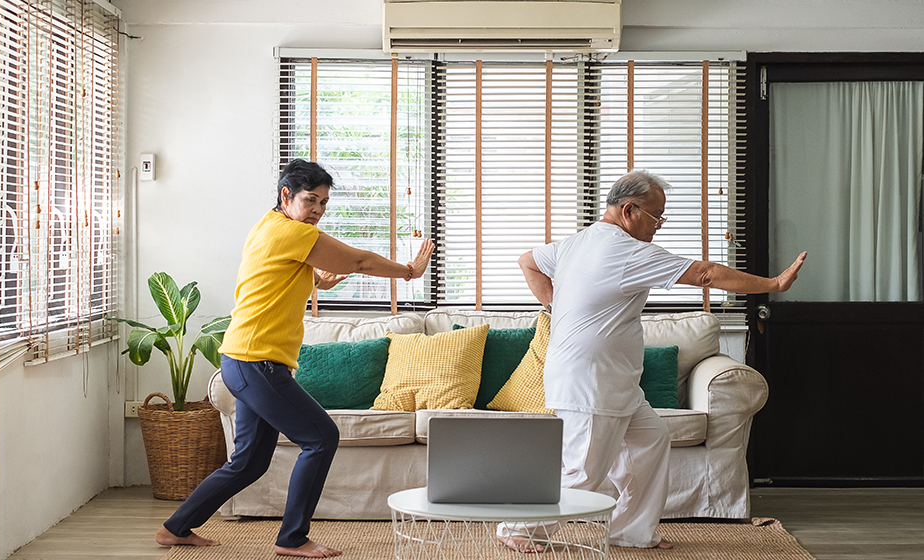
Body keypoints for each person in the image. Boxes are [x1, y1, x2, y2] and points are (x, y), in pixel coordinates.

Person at [503, 170, 806, 551]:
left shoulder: (577, 243)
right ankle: (518, 528)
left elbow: (528, 261)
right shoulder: (626, 252)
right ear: (629, 210)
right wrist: (773, 284)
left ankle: (631, 531)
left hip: (616, 382)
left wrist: (557, 305)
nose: (659, 226)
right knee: (583, 473)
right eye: (656, 216)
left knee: (650, 442)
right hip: (592, 381)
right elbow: (706, 273)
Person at [155, 159, 435, 558]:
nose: (318, 209)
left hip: (243, 360)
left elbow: (274, 274)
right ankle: (293, 539)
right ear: (286, 195)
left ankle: (175, 527)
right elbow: (358, 260)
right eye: (310, 200)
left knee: (250, 462)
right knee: (321, 438)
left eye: (323, 202)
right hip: (257, 363)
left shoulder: (270, 226)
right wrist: (410, 271)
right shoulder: (290, 232)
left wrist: (317, 280)